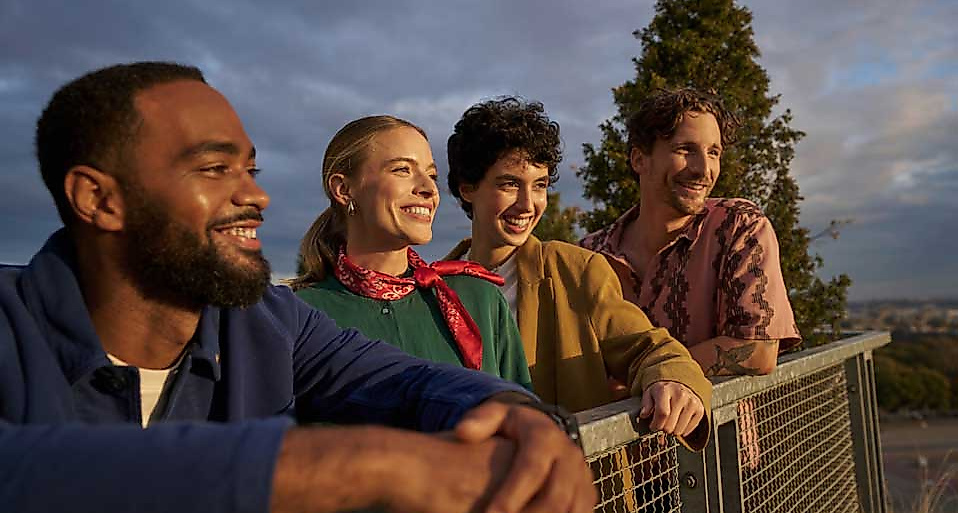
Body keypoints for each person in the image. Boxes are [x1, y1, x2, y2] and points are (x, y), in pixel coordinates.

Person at [0, 62, 596, 513]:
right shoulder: (11, 327)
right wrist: (362, 467)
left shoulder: (268, 322)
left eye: (251, 170)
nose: (255, 196)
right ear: (99, 199)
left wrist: (518, 414)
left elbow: (406, 379)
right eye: (214, 169)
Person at [445, 96, 711, 449]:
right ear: (467, 188)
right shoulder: (433, 288)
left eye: (539, 185)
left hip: (572, 476)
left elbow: (647, 347)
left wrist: (674, 379)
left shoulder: (575, 270)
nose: (528, 204)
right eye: (509, 184)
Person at [288, 115, 531, 390]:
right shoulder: (298, 317)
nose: (429, 189)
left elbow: (523, 410)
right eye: (402, 170)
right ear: (344, 189)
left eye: (432, 175)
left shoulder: (480, 300)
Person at [579, 87, 801, 377]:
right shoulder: (588, 255)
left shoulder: (739, 227)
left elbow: (758, 349)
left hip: (718, 411)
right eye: (685, 150)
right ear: (639, 159)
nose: (704, 169)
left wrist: (645, 378)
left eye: (713, 153)